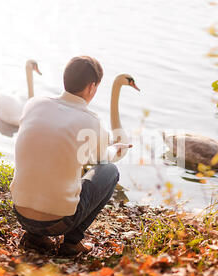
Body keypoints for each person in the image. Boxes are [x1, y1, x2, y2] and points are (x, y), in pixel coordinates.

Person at [9, 56, 132, 256]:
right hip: (58, 222)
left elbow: (50, 139)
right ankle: (72, 242)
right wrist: (115, 148)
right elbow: (102, 160)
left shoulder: (34, 104)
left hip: (20, 212)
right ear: (92, 87)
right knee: (109, 171)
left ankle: (34, 238)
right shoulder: (91, 121)